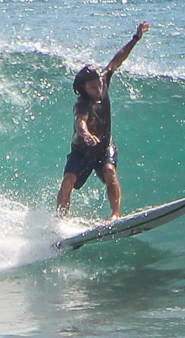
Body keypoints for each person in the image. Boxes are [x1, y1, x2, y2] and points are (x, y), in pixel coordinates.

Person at [56, 22, 149, 221]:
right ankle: (59, 221)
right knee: (68, 181)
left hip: (105, 146)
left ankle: (115, 215)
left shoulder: (103, 80)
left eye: (99, 83)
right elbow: (80, 123)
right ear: (84, 88)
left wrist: (136, 37)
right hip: (81, 150)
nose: (98, 88)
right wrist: (87, 134)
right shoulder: (82, 103)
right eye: (93, 86)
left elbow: (118, 59)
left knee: (109, 171)